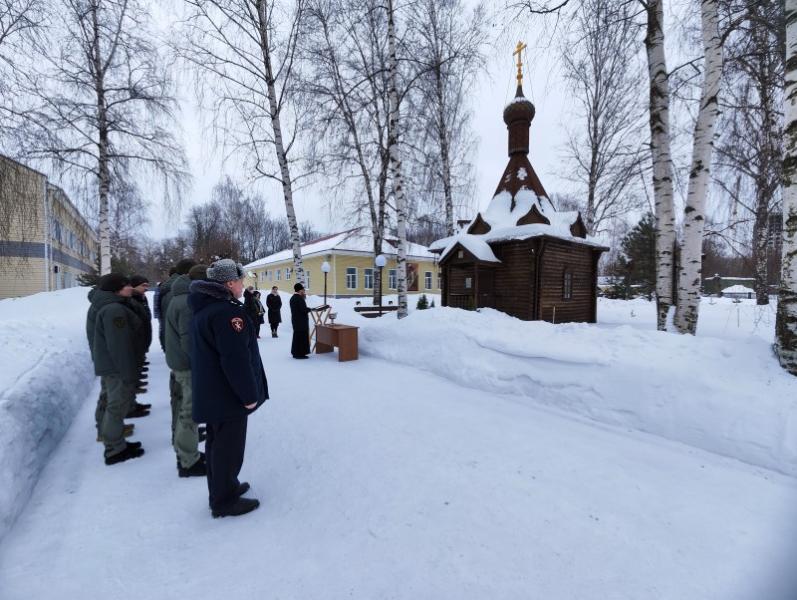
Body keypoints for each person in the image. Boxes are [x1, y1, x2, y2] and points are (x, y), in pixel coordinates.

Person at [189, 259, 268, 518]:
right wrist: (248, 396)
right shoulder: (226, 312)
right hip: (227, 395)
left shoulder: (207, 307)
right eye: (240, 280)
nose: (243, 285)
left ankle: (224, 488)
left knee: (216, 444)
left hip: (214, 392)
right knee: (227, 448)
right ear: (229, 283)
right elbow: (234, 359)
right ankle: (223, 501)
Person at [87, 273, 145, 465]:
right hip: (117, 367)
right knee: (116, 405)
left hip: (110, 364)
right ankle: (114, 449)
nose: (131, 287)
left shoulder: (112, 306)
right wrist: (128, 373)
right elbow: (119, 346)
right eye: (127, 285)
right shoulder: (114, 310)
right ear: (117, 290)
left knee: (109, 400)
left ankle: (110, 437)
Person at [165, 264, 208, 478]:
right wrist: (203, 365)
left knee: (183, 407)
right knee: (190, 412)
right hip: (187, 366)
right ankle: (188, 461)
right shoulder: (187, 304)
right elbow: (189, 341)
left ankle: (184, 452)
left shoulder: (179, 297)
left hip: (179, 363)